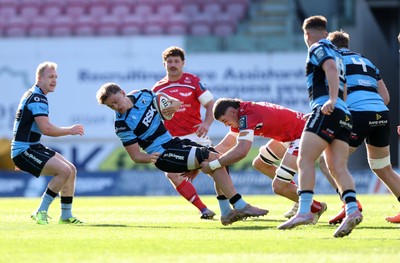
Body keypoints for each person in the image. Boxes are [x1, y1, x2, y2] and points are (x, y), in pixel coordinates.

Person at [96, 83, 268, 226]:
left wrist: (171, 108)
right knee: (213, 159)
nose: (117, 107)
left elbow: (174, 104)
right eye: (111, 106)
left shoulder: (144, 95)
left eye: (116, 101)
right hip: (163, 153)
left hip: (173, 143)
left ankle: (226, 213)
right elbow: (135, 156)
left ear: (123, 93)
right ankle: (240, 205)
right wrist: (149, 157)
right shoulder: (121, 125)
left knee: (217, 158)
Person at [277, 15, 363, 238]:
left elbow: (331, 70)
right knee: (337, 167)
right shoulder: (337, 51)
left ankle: (305, 211)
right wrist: (339, 103)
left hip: (327, 109)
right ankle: (352, 210)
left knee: (304, 159)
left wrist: (331, 101)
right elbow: (342, 82)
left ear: (306, 34)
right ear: (326, 32)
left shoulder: (318, 47)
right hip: (344, 114)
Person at [206, 98, 327, 224]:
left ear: (232, 111)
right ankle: (297, 196)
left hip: (303, 135)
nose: (226, 125)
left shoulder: (247, 116)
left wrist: (213, 165)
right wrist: (206, 155)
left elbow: (241, 151)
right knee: (260, 164)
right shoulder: (242, 112)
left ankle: (317, 207)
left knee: (279, 187)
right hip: (290, 135)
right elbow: (226, 145)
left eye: (225, 121)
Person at [326, 30, 400, 224]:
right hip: (380, 114)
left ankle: (350, 204)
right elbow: (386, 97)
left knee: (330, 161)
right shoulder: (367, 62)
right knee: (382, 167)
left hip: (357, 114)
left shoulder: (333, 60)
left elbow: (338, 94)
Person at [11, 61, 84, 225]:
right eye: (50, 76)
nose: (54, 80)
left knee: (71, 170)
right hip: (25, 149)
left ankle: (66, 216)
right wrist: (70, 130)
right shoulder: (37, 97)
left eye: (56, 77)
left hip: (31, 147)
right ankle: (40, 211)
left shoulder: (34, 94)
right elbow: (47, 129)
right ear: (39, 77)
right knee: (64, 171)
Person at [152, 46, 215, 220]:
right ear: (164, 64)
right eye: (169, 61)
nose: (173, 65)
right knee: (172, 174)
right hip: (174, 140)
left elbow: (210, 105)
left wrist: (207, 123)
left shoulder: (193, 81)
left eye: (176, 61)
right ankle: (204, 210)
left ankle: (233, 205)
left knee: (215, 167)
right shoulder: (158, 89)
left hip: (196, 136)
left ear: (183, 63)